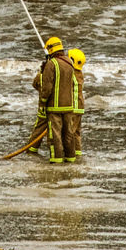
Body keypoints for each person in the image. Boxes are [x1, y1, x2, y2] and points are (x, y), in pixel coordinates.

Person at [35, 35, 78, 164]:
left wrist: (42, 102)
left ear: (50, 50)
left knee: (55, 136)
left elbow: (47, 87)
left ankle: (56, 160)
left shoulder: (51, 64)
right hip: (68, 107)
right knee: (68, 135)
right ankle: (70, 159)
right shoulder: (70, 63)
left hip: (54, 107)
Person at [67, 48, 86, 158]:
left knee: (70, 132)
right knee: (77, 133)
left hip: (74, 107)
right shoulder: (79, 74)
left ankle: (71, 155)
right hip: (80, 107)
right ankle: (78, 153)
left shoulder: (72, 74)